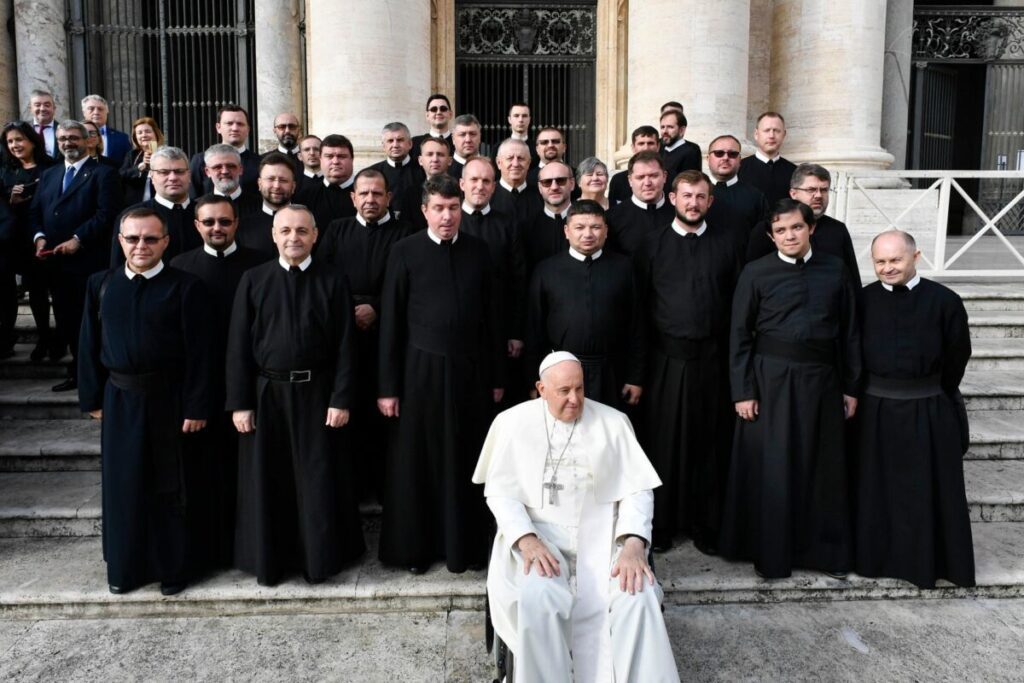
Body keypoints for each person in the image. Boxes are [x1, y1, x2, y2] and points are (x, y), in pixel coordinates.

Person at [473, 352, 679, 683]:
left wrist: (633, 543)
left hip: (605, 541)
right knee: (539, 597)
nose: (574, 400)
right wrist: (525, 539)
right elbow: (501, 493)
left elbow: (638, 491)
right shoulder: (512, 424)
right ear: (541, 388)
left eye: (580, 389)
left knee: (636, 595)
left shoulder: (613, 422)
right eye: (564, 391)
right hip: (540, 541)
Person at [719, 199, 861, 579]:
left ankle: (823, 553)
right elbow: (738, 335)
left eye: (796, 228)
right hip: (770, 381)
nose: (789, 236)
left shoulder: (835, 269)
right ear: (770, 235)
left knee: (821, 466)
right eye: (780, 231)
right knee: (775, 466)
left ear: (811, 228)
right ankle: (772, 553)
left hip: (823, 380)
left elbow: (850, 332)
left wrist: (851, 386)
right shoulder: (755, 272)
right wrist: (743, 391)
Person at [78, 206, 213, 595]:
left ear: (166, 242)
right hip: (119, 400)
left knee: (170, 488)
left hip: (169, 401)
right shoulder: (100, 284)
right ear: (120, 241)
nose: (141, 246)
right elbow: (87, 345)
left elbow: (201, 354)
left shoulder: (186, 287)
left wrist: (196, 406)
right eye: (133, 238)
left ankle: (173, 568)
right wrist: (92, 398)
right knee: (123, 487)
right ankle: (126, 569)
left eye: (150, 238)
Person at [226, 204, 364, 585]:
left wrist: (341, 398)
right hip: (267, 395)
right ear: (273, 235)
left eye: (302, 231)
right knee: (270, 481)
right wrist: (240, 403)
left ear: (315, 236)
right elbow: (238, 346)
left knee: (318, 480)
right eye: (285, 230)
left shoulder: (334, 280)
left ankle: (319, 560)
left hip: (318, 396)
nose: (293, 238)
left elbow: (345, 347)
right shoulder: (253, 280)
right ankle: (272, 561)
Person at [377, 174, 505, 573]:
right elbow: (391, 324)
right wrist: (387, 388)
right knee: (421, 461)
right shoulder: (404, 251)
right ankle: (418, 550)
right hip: (419, 374)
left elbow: (492, 321)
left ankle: (462, 548)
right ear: (424, 211)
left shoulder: (480, 251)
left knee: (466, 459)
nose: (447, 216)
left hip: (470, 372)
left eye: (453, 208)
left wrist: (497, 376)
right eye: (438, 209)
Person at [855, 230, 975, 589]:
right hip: (874, 411)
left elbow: (957, 356)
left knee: (926, 490)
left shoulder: (945, 301)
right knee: (876, 491)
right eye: (880, 262)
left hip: (928, 407)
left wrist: (931, 392)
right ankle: (874, 560)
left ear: (916, 257)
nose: (888, 268)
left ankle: (925, 564)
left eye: (896, 260)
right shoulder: (862, 300)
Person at [635, 170, 744, 553]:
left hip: (711, 362)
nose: (693, 203)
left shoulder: (728, 245)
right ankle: (661, 526)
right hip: (665, 360)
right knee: (662, 445)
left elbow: (735, 308)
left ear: (710, 202)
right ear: (673, 197)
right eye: (686, 196)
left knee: (708, 446)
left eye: (700, 197)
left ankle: (705, 526)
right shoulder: (651, 245)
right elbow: (641, 308)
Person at [171, 194, 266, 567]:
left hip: (251, 384)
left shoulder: (260, 265)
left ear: (236, 223)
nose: (217, 229)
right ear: (197, 226)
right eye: (209, 222)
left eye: (224, 222)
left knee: (248, 472)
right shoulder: (180, 267)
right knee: (206, 473)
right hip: (202, 386)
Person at [316, 169, 413, 497]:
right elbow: (323, 278)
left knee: (385, 415)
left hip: (388, 338)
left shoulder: (405, 234)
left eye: (377, 194)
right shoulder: (336, 230)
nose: (370, 199)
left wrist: (378, 309)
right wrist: (350, 310)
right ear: (353, 197)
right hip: (343, 339)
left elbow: (409, 286)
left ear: (389, 198)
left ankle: (384, 490)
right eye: (364, 194)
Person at [30, 120, 121, 391]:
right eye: (62, 139)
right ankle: (78, 373)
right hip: (55, 262)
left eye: (73, 138)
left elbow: (106, 214)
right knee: (67, 319)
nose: (67, 143)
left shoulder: (103, 173)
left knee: (90, 321)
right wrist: (39, 237)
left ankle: (96, 375)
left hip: (88, 262)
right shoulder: (49, 174)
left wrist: (77, 239)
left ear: (86, 140)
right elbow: (35, 211)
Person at [528, 201, 643, 410]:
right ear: (567, 231)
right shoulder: (546, 271)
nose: (588, 234)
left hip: (612, 373)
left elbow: (637, 326)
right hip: (561, 374)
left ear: (606, 231)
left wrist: (635, 377)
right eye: (580, 227)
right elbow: (534, 330)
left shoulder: (624, 268)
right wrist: (535, 378)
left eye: (595, 227)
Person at [459, 158, 528, 400]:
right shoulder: (449, 223)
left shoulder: (508, 224)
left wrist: (516, 332)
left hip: (498, 329)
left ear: (494, 186)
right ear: (462, 184)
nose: (480, 186)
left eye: (486, 181)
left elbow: (519, 280)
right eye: (474, 180)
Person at [746, 163, 861, 289]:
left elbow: (851, 280)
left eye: (824, 190)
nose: (818, 195)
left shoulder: (837, 229)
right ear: (793, 194)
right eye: (811, 190)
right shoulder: (767, 229)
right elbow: (752, 278)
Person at [1, 121, 55, 361]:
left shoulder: (50, 167)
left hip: (40, 236)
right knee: (6, 292)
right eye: (10, 141)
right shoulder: (4, 169)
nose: (15, 145)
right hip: (9, 239)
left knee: (38, 291)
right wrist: (10, 201)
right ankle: (5, 339)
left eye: (19, 139)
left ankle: (46, 338)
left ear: (32, 140)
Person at [110, 146, 200, 267]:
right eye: (164, 172)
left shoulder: (205, 213)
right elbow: (118, 266)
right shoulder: (131, 216)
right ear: (152, 176)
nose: (173, 178)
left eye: (179, 171)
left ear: (189, 175)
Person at [704, 134, 769, 252]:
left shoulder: (755, 196)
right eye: (719, 153)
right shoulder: (695, 194)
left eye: (732, 154)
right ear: (708, 158)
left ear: (740, 160)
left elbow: (763, 238)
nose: (725, 158)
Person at [605, 151, 674, 257]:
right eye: (640, 177)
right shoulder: (611, 219)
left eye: (653, 176)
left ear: (664, 177)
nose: (647, 183)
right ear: (630, 180)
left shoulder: (679, 214)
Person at [235, 152, 296, 259]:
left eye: (283, 180)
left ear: (293, 186)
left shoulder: (308, 223)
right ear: (259, 184)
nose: (276, 186)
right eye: (270, 179)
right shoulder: (243, 226)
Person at [189, 105, 261, 194]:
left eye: (240, 124)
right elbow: (193, 196)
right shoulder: (200, 160)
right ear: (218, 127)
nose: (235, 128)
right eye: (229, 123)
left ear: (248, 129)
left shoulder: (260, 162)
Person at [294, 134, 357, 229]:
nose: (335, 161)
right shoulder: (304, 197)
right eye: (329, 156)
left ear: (352, 159)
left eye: (342, 156)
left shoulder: (366, 194)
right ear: (320, 159)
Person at [522, 161, 574, 273]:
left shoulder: (587, 224)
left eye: (561, 180)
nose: (554, 187)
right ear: (540, 188)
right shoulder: (526, 228)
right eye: (547, 182)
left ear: (572, 184)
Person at [737, 111, 797, 205]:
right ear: (756, 134)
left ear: (784, 134)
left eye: (776, 131)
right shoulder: (738, 168)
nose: (771, 136)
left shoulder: (795, 172)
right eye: (766, 130)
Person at [491, 138, 542, 226]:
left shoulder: (540, 196)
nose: (515, 164)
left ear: (529, 163)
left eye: (521, 158)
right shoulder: (487, 195)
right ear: (498, 163)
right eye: (510, 158)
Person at [368, 122, 425, 199]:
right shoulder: (372, 173)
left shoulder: (423, 171)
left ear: (410, 144)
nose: (395, 145)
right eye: (390, 141)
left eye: (400, 140)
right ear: (384, 146)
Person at [119, 117, 165, 206]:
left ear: (156, 133)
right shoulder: (132, 155)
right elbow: (121, 176)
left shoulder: (167, 153)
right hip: (135, 205)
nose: (144, 135)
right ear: (135, 137)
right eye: (139, 133)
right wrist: (140, 167)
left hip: (160, 204)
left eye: (148, 131)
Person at [201, 144, 259, 213]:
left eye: (231, 166)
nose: (225, 171)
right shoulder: (198, 207)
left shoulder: (261, 206)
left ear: (240, 169)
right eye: (217, 167)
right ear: (207, 172)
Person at [609, 126, 660, 205]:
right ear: (633, 148)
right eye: (641, 143)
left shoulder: (672, 177)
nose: (646, 148)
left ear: (658, 147)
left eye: (650, 143)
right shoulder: (618, 180)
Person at [81, 94, 131, 165]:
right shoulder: (74, 136)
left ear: (107, 112)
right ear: (83, 112)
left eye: (100, 109)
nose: (96, 112)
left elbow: (128, 166)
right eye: (91, 108)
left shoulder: (122, 138)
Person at [659, 110, 701, 186]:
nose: (665, 131)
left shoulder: (690, 152)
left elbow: (690, 183)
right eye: (662, 127)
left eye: (670, 127)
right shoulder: (659, 149)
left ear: (681, 130)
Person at [411, 93, 455, 158]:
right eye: (434, 109)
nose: (438, 112)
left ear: (450, 114)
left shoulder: (458, 142)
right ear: (427, 116)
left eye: (443, 109)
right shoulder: (414, 143)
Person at [450, 114, 485, 180]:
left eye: (472, 134)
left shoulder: (490, 169)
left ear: (480, 137)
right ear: (453, 139)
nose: (468, 140)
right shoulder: (444, 171)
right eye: (462, 135)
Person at [507, 101, 540, 166]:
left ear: (529, 119)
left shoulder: (538, 148)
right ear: (509, 119)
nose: (521, 120)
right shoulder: (499, 147)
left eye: (524, 116)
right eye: (516, 116)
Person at [28, 89, 59, 158]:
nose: (42, 109)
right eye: (37, 105)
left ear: (54, 108)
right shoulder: (22, 130)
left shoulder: (63, 130)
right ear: (31, 109)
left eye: (47, 105)